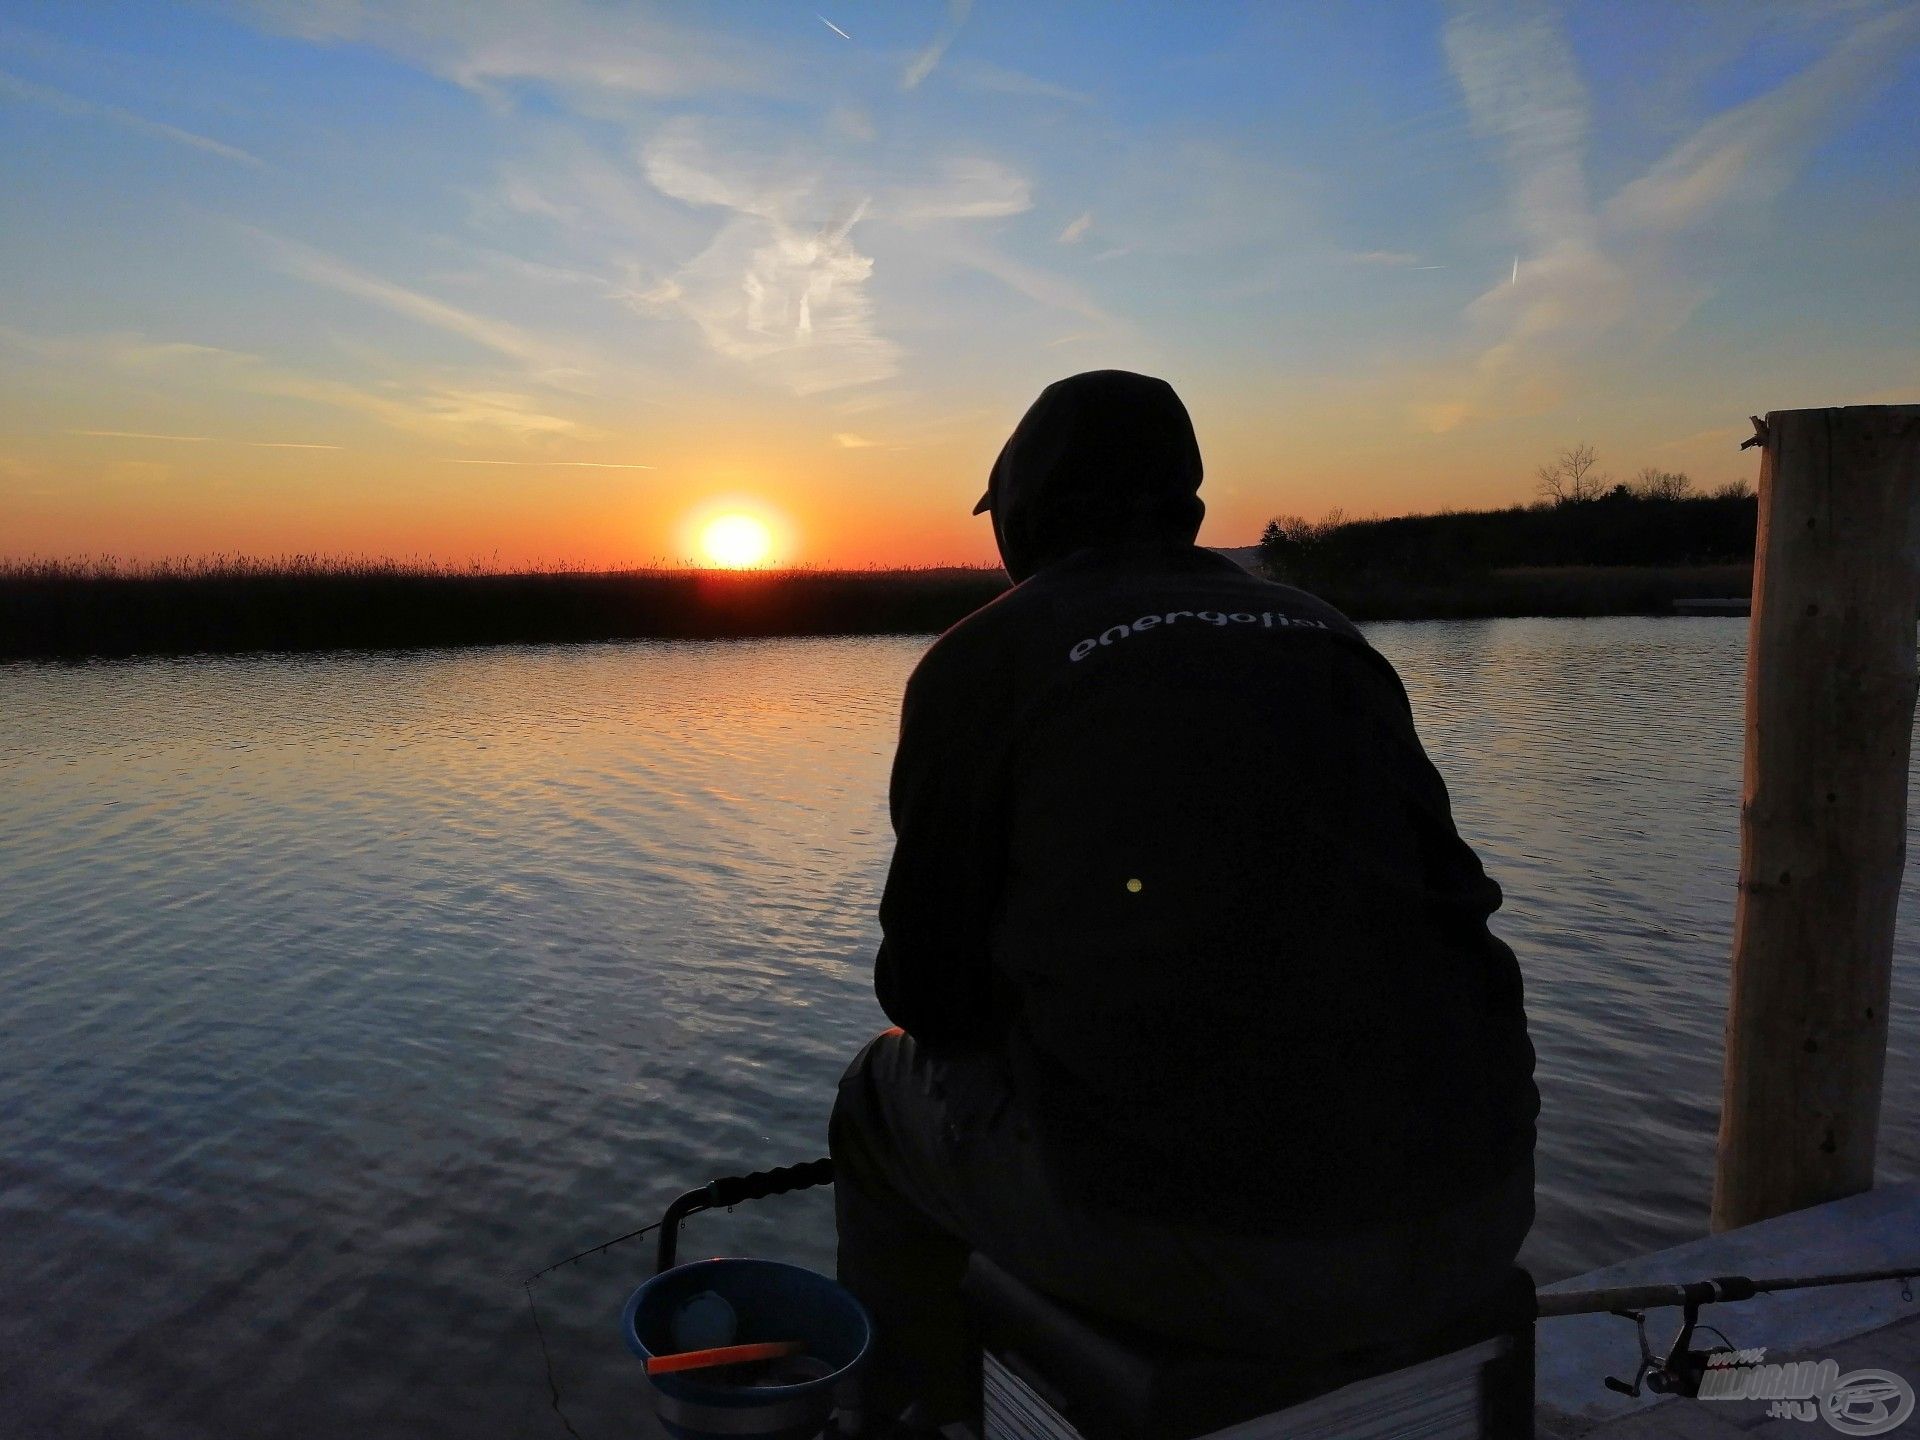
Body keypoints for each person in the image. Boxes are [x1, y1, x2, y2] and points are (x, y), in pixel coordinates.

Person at [828, 370, 1539, 1427]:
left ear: (1018, 521)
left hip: (1231, 1260)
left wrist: (1000, 1042)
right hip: (1484, 1209)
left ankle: (905, 1416)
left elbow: (927, 989)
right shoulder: (1330, 638)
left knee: (877, 1100)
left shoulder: (983, 658)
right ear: (1193, 515)